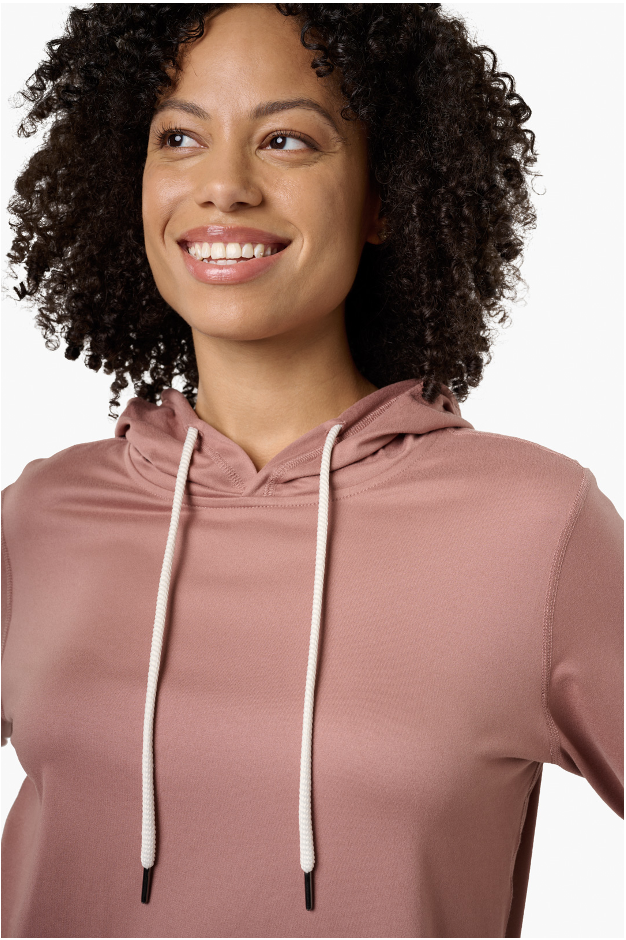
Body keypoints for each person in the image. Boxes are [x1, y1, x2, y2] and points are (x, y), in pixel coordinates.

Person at [1, 3, 622, 938]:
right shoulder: (41, 517)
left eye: (287, 139)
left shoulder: (536, 529)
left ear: (384, 196)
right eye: (179, 137)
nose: (224, 187)